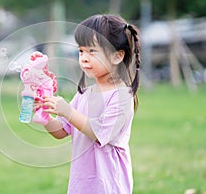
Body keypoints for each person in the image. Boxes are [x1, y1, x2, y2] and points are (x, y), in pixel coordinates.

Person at [35, 13, 141, 194]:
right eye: (81, 51)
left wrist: (68, 111)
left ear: (117, 56)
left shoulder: (122, 97)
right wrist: (44, 116)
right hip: (82, 185)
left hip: (108, 185)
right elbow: (61, 131)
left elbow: (99, 133)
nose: (84, 58)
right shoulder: (84, 95)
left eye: (92, 51)